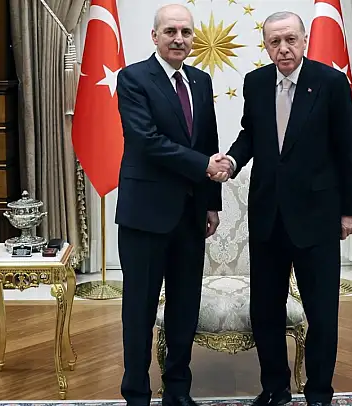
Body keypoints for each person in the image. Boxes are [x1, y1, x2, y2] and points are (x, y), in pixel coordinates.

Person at [211, 11, 352, 406]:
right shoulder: (256, 82)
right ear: (266, 46)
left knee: (321, 313)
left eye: (290, 39)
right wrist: (232, 161)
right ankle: (275, 389)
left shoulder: (330, 82)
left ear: (304, 40)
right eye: (275, 42)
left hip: (317, 216)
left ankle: (319, 392)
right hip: (268, 217)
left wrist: (349, 211)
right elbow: (250, 134)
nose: (283, 48)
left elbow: (346, 150)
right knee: (266, 311)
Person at [114, 4, 231, 406]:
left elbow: (208, 141)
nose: (179, 39)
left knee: (184, 308)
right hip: (145, 215)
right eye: (170, 31)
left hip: (190, 215)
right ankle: (136, 394)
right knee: (139, 310)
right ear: (155, 36)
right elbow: (146, 141)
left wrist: (211, 203)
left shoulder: (200, 80)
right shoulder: (133, 78)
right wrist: (203, 166)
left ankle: (178, 391)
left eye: (185, 32)